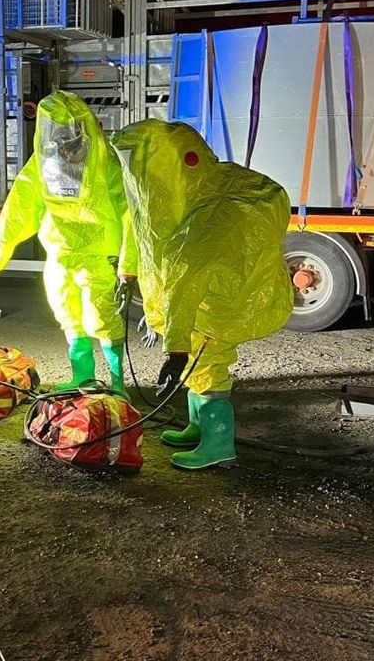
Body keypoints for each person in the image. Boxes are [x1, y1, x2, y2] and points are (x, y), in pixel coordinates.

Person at [110, 119, 293, 469]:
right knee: (199, 364)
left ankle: (218, 446)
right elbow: (137, 224)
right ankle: (196, 426)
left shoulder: (207, 216)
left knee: (208, 367)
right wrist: (127, 271)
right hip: (200, 299)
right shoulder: (171, 196)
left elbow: (186, 279)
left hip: (220, 304)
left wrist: (175, 349)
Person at [0, 91, 136, 394]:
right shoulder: (42, 168)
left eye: (70, 139)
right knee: (68, 314)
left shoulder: (107, 166)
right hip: (60, 256)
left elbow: (131, 218)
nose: (65, 148)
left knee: (102, 318)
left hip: (98, 257)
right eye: (58, 138)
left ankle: (117, 382)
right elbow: (16, 214)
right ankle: (83, 376)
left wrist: (128, 268)